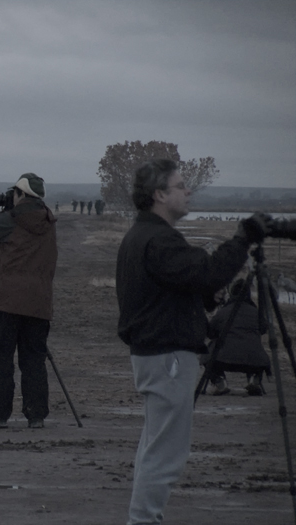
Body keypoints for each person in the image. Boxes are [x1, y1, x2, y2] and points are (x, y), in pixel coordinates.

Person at [115, 159, 270, 525]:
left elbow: (175, 285)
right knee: (165, 454)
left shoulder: (142, 235)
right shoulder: (160, 239)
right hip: (167, 355)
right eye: (181, 185)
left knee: (155, 447)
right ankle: (143, 520)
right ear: (159, 194)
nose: (189, 191)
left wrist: (202, 301)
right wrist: (243, 239)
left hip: (154, 353)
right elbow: (207, 272)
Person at [0, 173, 58, 429]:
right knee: (34, 360)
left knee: (2, 358)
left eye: (13, 193)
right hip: (39, 303)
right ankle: (36, 415)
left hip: (7, 303)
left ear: (21, 195)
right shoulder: (49, 220)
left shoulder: (10, 220)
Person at [203, 278, 271, 396]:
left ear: (232, 293)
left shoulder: (224, 311)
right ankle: (254, 378)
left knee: (207, 354)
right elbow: (264, 329)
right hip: (253, 359)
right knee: (258, 355)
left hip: (223, 359)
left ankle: (219, 381)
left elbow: (210, 332)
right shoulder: (256, 312)